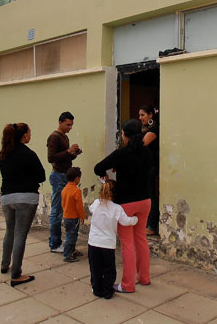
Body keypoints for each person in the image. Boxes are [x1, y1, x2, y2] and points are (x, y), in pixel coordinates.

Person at [94, 119, 152, 293]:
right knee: (141, 238)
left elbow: (98, 167)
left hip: (126, 203)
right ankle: (144, 277)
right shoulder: (147, 153)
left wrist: (106, 178)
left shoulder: (122, 153)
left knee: (127, 243)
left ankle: (127, 284)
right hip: (145, 201)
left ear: (124, 135)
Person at [0, 123, 45, 287]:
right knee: (20, 235)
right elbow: (41, 176)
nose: (30, 135)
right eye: (29, 133)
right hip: (26, 197)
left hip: (7, 198)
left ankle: (5, 265)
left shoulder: (3, 154)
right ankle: (16, 274)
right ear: (24, 135)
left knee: (9, 231)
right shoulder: (29, 154)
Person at [88, 180, 138, 299]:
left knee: (95, 267)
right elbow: (125, 221)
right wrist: (135, 219)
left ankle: (97, 289)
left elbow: (91, 209)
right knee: (109, 269)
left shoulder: (96, 203)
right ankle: (107, 291)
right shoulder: (117, 208)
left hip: (93, 242)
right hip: (108, 244)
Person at [47, 111, 82, 253]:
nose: (70, 127)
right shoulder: (54, 137)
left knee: (65, 210)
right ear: (60, 122)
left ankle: (62, 243)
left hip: (64, 176)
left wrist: (73, 153)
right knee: (57, 211)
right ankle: (54, 243)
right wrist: (68, 151)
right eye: (68, 124)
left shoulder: (64, 137)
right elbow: (51, 158)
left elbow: (65, 157)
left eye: (72, 125)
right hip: (58, 176)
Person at [139, 104, 159, 236]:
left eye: (143, 115)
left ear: (151, 115)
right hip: (146, 167)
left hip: (152, 167)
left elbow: (141, 145)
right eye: (139, 115)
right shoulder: (145, 129)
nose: (140, 118)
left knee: (151, 196)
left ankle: (152, 226)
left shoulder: (153, 130)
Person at [61, 167, 86, 262]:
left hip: (66, 216)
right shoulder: (76, 191)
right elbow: (79, 206)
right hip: (73, 217)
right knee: (71, 236)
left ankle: (72, 250)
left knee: (70, 234)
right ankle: (67, 255)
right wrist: (82, 217)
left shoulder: (64, 190)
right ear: (76, 178)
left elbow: (62, 204)